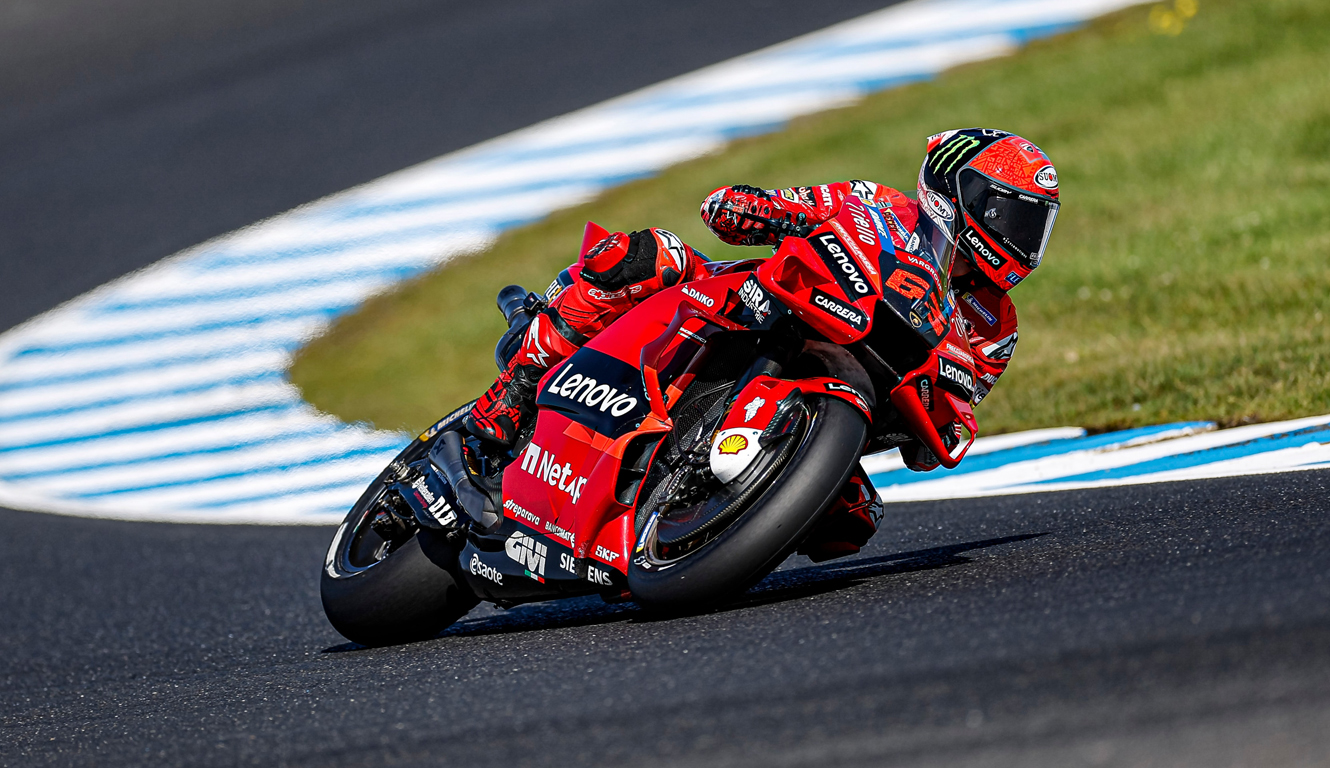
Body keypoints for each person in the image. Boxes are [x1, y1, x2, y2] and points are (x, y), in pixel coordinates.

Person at [465, 128, 1060, 559]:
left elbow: (940, 432)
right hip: (747, 306)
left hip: (834, 399)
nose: (1021, 238)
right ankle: (512, 391)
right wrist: (756, 210)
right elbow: (747, 208)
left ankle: (688, 523)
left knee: (849, 525)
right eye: (1013, 215)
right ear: (962, 192)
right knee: (641, 257)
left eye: (1034, 226)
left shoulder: (995, 324)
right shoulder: (877, 202)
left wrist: (937, 412)